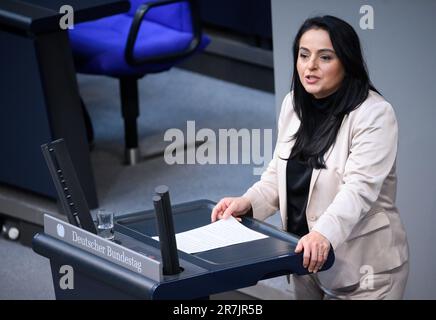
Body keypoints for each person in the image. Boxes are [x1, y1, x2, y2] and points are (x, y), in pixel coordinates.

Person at [211, 15, 409, 300]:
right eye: (304, 55)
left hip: (365, 271)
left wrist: (322, 234)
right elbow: (277, 174)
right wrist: (247, 202)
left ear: (347, 62)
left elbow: (359, 191)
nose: (310, 66)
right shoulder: (293, 104)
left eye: (325, 57)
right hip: (305, 258)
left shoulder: (374, 114)